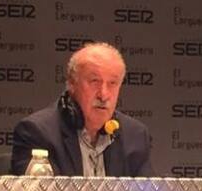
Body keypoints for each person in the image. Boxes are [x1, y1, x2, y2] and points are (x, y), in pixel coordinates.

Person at [11, 42, 154, 177]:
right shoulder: (37, 133)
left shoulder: (135, 136)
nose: (104, 95)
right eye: (94, 81)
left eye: (112, 83)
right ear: (72, 84)